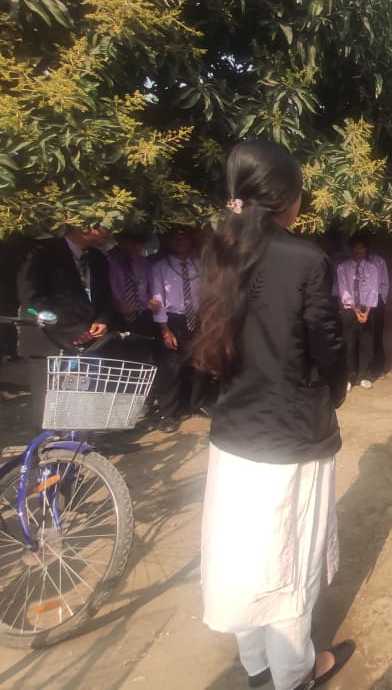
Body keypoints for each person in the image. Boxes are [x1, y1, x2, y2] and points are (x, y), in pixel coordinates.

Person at [194, 140, 354, 690]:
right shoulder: (305, 259)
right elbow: (327, 343)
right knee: (288, 556)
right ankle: (295, 672)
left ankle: (257, 666)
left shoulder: (219, 252)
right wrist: (336, 391)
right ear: (287, 197)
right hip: (291, 435)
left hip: (234, 435)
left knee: (245, 553)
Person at [16, 223, 115, 429]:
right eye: (104, 226)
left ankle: (80, 444)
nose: (109, 232)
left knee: (81, 398)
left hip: (87, 339)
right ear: (84, 227)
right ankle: (49, 446)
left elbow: (105, 296)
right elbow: (32, 300)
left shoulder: (98, 258)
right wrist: (73, 329)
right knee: (48, 405)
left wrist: (103, 320)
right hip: (48, 340)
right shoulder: (42, 252)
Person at [150, 227, 209, 431]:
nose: (180, 242)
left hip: (197, 319)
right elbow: (158, 299)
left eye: (183, 238)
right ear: (168, 242)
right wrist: (165, 330)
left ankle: (196, 404)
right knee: (172, 368)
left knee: (200, 363)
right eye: (175, 238)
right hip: (172, 320)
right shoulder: (159, 268)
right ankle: (169, 413)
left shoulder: (199, 265)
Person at [334, 237, 379, 390]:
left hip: (367, 309)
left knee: (366, 343)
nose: (359, 251)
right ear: (351, 249)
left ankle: (364, 376)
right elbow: (344, 290)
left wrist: (366, 312)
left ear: (366, 250)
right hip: (349, 310)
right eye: (356, 247)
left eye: (362, 247)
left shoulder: (372, 269)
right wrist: (356, 311)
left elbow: (374, 290)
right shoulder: (342, 268)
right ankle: (349, 377)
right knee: (349, 344)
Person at [107, 230, 157, 363]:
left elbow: (149, 288)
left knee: (140, 360)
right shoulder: (106, 260)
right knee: (116, 360)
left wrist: (150, 301)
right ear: (119, 239)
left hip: (141, 317)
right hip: (115, 319)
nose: (137, 246)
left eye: (141, 243)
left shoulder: (144, 263)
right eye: (133, 242)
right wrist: (114, 304)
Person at [368, 247, 390, 380]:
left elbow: (384, 283)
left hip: (377, 302)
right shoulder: (350, 262)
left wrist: (382, 301)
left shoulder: (379, 261)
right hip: (359, 303)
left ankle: (378, 367)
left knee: (377, 335)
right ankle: (364, 369)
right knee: (363, 336)